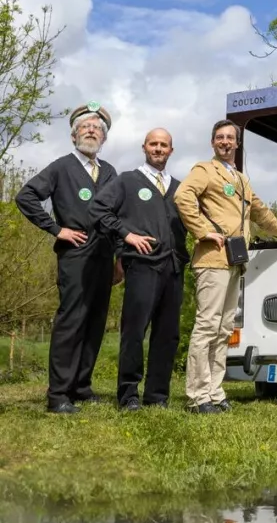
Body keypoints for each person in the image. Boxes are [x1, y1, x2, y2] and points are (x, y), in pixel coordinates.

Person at [174, 119, 277, 415]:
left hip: (236, 261)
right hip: (212, 260)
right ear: (213, 143)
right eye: (219, 137)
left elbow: (261, 212)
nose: (224, 142)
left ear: (237, 144)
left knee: (224, 329)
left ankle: (215, 391)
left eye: (229, 138)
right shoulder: (204, 170)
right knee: (207, 326)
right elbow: (182, 196)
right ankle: (197, 397)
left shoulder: (241, 179)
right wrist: (201, 231)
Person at [15, 102, 120, 414]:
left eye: (97, 128)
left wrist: (119, 259)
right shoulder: (62, 167)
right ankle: (58, 394)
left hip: (104, 257)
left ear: (103, 138)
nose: (91, 131)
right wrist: (56, 229)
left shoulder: (111, 172)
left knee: (95, 322)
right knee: (71, 321)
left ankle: (81, 387)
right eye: (85, 127)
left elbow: (115, 215)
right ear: (74, 135)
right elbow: (26, 196)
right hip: (75, 256)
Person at [89, 128, 189, 411]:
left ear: (171, 150)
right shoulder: (127, 181)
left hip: (174, 266)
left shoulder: (181, 188)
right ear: (144, 147)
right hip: (142, 266)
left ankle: (157, 396)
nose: (158, 149)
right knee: (134, 331)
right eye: (153, 144)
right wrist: (126, 235)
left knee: (168, 334)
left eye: (164, 145)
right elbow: (98, 210)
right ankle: (129, 394)